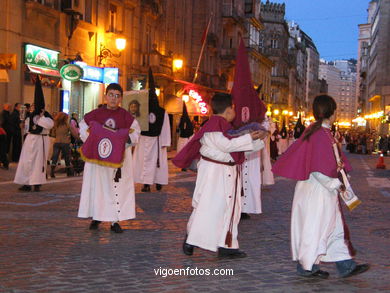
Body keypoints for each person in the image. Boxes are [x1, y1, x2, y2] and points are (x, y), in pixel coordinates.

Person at [272, 95, 369, 279]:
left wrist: (340, 176)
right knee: (316, 227)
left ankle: (345, 264)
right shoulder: (318, 134)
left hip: (322, 190)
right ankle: (307, 267)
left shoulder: (320, 132)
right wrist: (335, 183)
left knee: (333, 227)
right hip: (318, 190)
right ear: (331, 113)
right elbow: (317, 168)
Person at [173, 93, 267, 258]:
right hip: (214, 173)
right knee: (207, 207)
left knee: (229, 208)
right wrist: (248, 137)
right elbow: (226, 146)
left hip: (227, 171)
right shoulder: (215, 125)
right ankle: (191, 239)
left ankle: (227, 245)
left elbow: (237, 147)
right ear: (229, 109)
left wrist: (258, 140)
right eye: (234, 108)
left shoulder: (225, 126)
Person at [78, 83, 140, 233]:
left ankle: (115, 221)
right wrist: (94, 139)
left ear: (121, 98)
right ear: (105, 96)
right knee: (97, 189)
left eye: (117, 96)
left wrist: (121, 141)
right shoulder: (95, 114)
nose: (113, 98)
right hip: (98, 160)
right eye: (111, 95)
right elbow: (83, 128)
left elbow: (135, 133)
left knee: (115, 189)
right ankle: (96, 217)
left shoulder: (126, 117)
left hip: (118, 161)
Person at [133, 68, 171, 192]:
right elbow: (136, 125)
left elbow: (165, 127)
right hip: (146, 140)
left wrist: (165, 142)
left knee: (153, 163)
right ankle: (147, 184)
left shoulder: (160, 111)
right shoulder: (143, 110)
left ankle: (156, 181)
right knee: (147, 163)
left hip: (156, 140)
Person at [14, 77, 54, 192]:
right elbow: (27, 128)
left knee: (38, 162)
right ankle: (26, 182)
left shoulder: (46, 116)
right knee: (26, 161)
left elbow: (49, 125)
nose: (32, 108)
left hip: (40, 140)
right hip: (30, 139)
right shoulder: (30, 116)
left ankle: (36, 183)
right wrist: (23, 125)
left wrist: (41, 118)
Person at [50, 112, 77, 178]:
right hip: (65, 143)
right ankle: (68, 172)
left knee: (55, 157)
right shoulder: (67, 125)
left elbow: (53, 134)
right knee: (67, 157)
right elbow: (74, 134)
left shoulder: (55, 125)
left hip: (57, 142)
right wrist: (77, 138)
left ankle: (52, 172)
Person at [176, 102, 194, 171]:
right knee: (183, 153)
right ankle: (183, 165)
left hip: (184, 139)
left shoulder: (184, 121)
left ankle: (184, 165)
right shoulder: (185, 121)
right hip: (184, 138)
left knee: (184, 153)